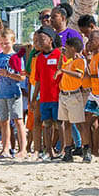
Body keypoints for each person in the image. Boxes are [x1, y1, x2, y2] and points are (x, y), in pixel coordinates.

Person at [0, 28, 27, 159]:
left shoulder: (16, 57)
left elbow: (22, 77)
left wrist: (9, 74)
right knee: (4, 122)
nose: (4, 45)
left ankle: (23, 149)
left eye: (6, 43)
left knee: (18, 120)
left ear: (13, 41)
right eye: (1, 43)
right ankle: (5, 148)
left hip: (14, 93)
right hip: (1, 93)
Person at [56, 36, 91, 162]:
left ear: (72, 48)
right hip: (64, 94)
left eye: (67, 48)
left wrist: (64, 70)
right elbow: (59, 67)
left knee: (80, 124)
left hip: (74, 95)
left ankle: (86, 149)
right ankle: (68, 150)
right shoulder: (68, 61)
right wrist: (61, 56)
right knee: (66, 123)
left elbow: (79, 75)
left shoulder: (79, 61)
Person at [32, 26, 63, 161]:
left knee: (59, 123)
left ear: (51, 40)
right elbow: (37, 80)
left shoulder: (59, 54)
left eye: (42, 39)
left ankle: (62, 149)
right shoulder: (38, 58)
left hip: (57, 96)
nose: (39, 41)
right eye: (38, 39)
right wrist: (34, 98)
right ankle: (48, 150)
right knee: (47, 124)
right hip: (44, 97)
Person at [83, 29, 99, 156]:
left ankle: (98, 147)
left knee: (97, 119)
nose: (89, 42)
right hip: (94, 93)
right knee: (90, 119)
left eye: (92, 40)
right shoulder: (92, 58)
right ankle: (93, 147)